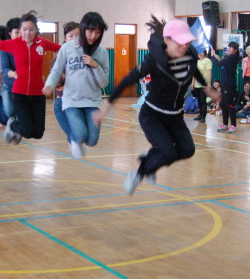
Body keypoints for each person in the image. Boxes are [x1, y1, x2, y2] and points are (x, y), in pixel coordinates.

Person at [94, 17, 219, 194]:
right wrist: (107, 104)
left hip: (175, 117)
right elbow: (128, 80)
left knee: (187, 150)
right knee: (168, 153)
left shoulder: (190, 54)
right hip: (152, 116)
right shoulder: (154, 60)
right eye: (179, 42)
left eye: (187, 42)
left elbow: (195, 71)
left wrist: (208, 90)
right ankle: (140, 172)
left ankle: (151, 160)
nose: (184, 46)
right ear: (167, 40)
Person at [0, 11, 61, 142]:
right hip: (20, 94)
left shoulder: (42, 43)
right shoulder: (14, 43)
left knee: (38, 134)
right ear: (20, 30)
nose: (27, 33)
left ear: (36, 30)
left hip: (38, 94)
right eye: (24, 29)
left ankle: (15, 126)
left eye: (31, 29)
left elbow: (61, 49)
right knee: (28, 132)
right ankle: (12, 125)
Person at [44, 13, 109, 158]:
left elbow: (104, 83)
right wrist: (50, 83)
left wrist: (95, 65)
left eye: (98, 32)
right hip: (72, 101)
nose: (94, 36)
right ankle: (74, 140)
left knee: (92, 141)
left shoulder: (102, 52)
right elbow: (56, 70)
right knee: (80, 134)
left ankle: (77, 139)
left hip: (92, 101)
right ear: (84, 29)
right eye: (91, 31)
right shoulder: (68, 48)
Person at [51, 21, 80, 147]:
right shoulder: (60, 58)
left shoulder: (85, 56)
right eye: (71, 36)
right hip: (63, 105)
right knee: (75, 137)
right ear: (65, 38)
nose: (74, 39)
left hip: (79, 104)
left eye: (78, 36)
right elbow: (57, 86)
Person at [212, 41, 241, 133]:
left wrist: (213, 57)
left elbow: (218, 64)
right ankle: (225, 124)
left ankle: (233, 125)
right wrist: (218, 58)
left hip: (229, 85)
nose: (228, 49)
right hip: (224, 85)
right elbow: (222, 63)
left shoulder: (232, 57)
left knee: (229, 105)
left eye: (231, 47)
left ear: (235, 50)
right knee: (223, 105)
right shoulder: (228, 59)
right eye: (228, 47)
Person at [0, 17, 21, 119]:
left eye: (21, 32)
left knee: (20, 115)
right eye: (16, 32)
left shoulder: (28, 48)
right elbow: (5, 68)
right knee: (9, 112)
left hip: (23, 87)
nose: (20, 35)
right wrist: (13, 74)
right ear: (10, 33)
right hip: (9, 86)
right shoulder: (5, 48)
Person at [192, 49, 212, 123]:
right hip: (196, 85)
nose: (200, 54)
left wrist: (209, 83)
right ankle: (200, 115)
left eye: (201, 52)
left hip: (204, 85)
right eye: (199, 52)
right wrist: (192, 83)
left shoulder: (207, 60)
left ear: (204, 53)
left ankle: (203, 116)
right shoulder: (197, 61)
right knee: (199, 101)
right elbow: (194, 74)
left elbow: (209, 72)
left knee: (203, 101)